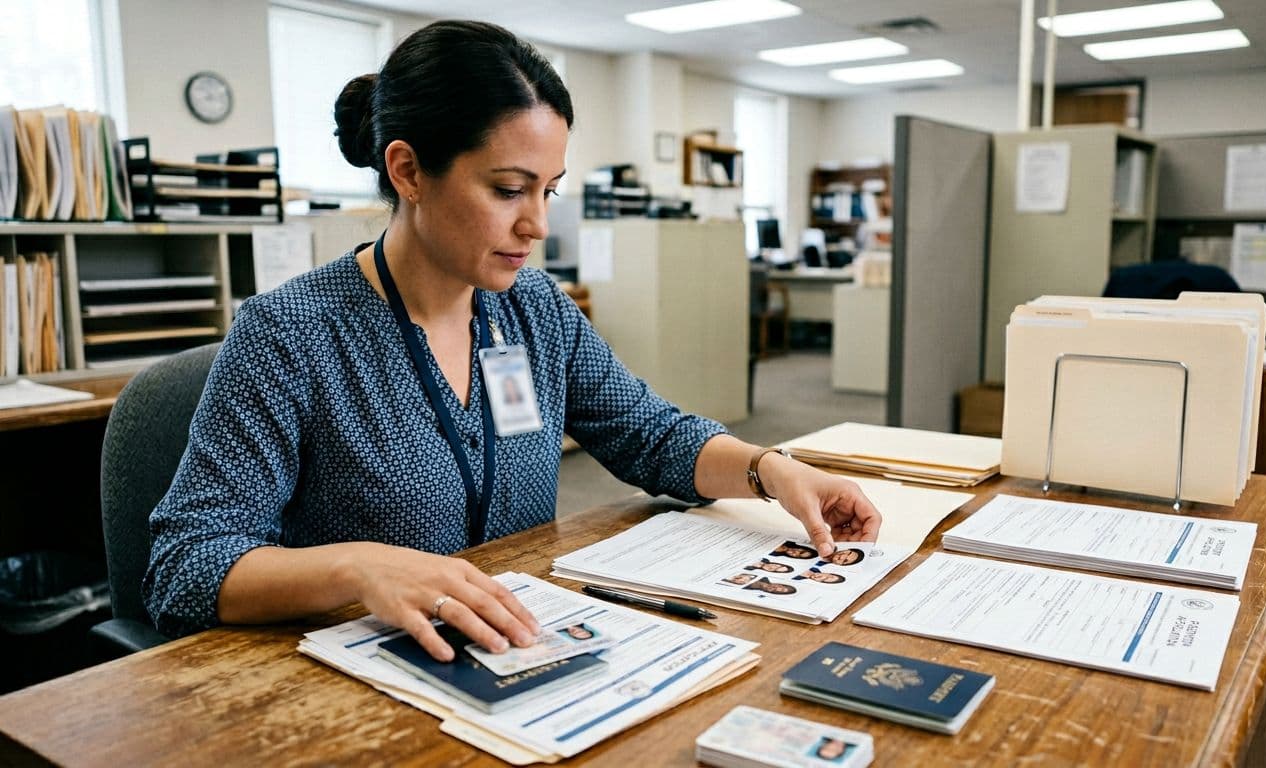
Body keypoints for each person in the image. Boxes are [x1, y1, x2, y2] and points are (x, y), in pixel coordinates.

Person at [142, 20, 881, 664]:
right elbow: (184, 565)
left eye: (548, 190)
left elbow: (648, 435)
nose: (537, 225)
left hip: (518, 646)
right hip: (366, 672)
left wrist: (770, 470)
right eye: (506, 190)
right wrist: (356, 568)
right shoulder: (291, 334)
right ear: (408, 171)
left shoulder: (533, 309)